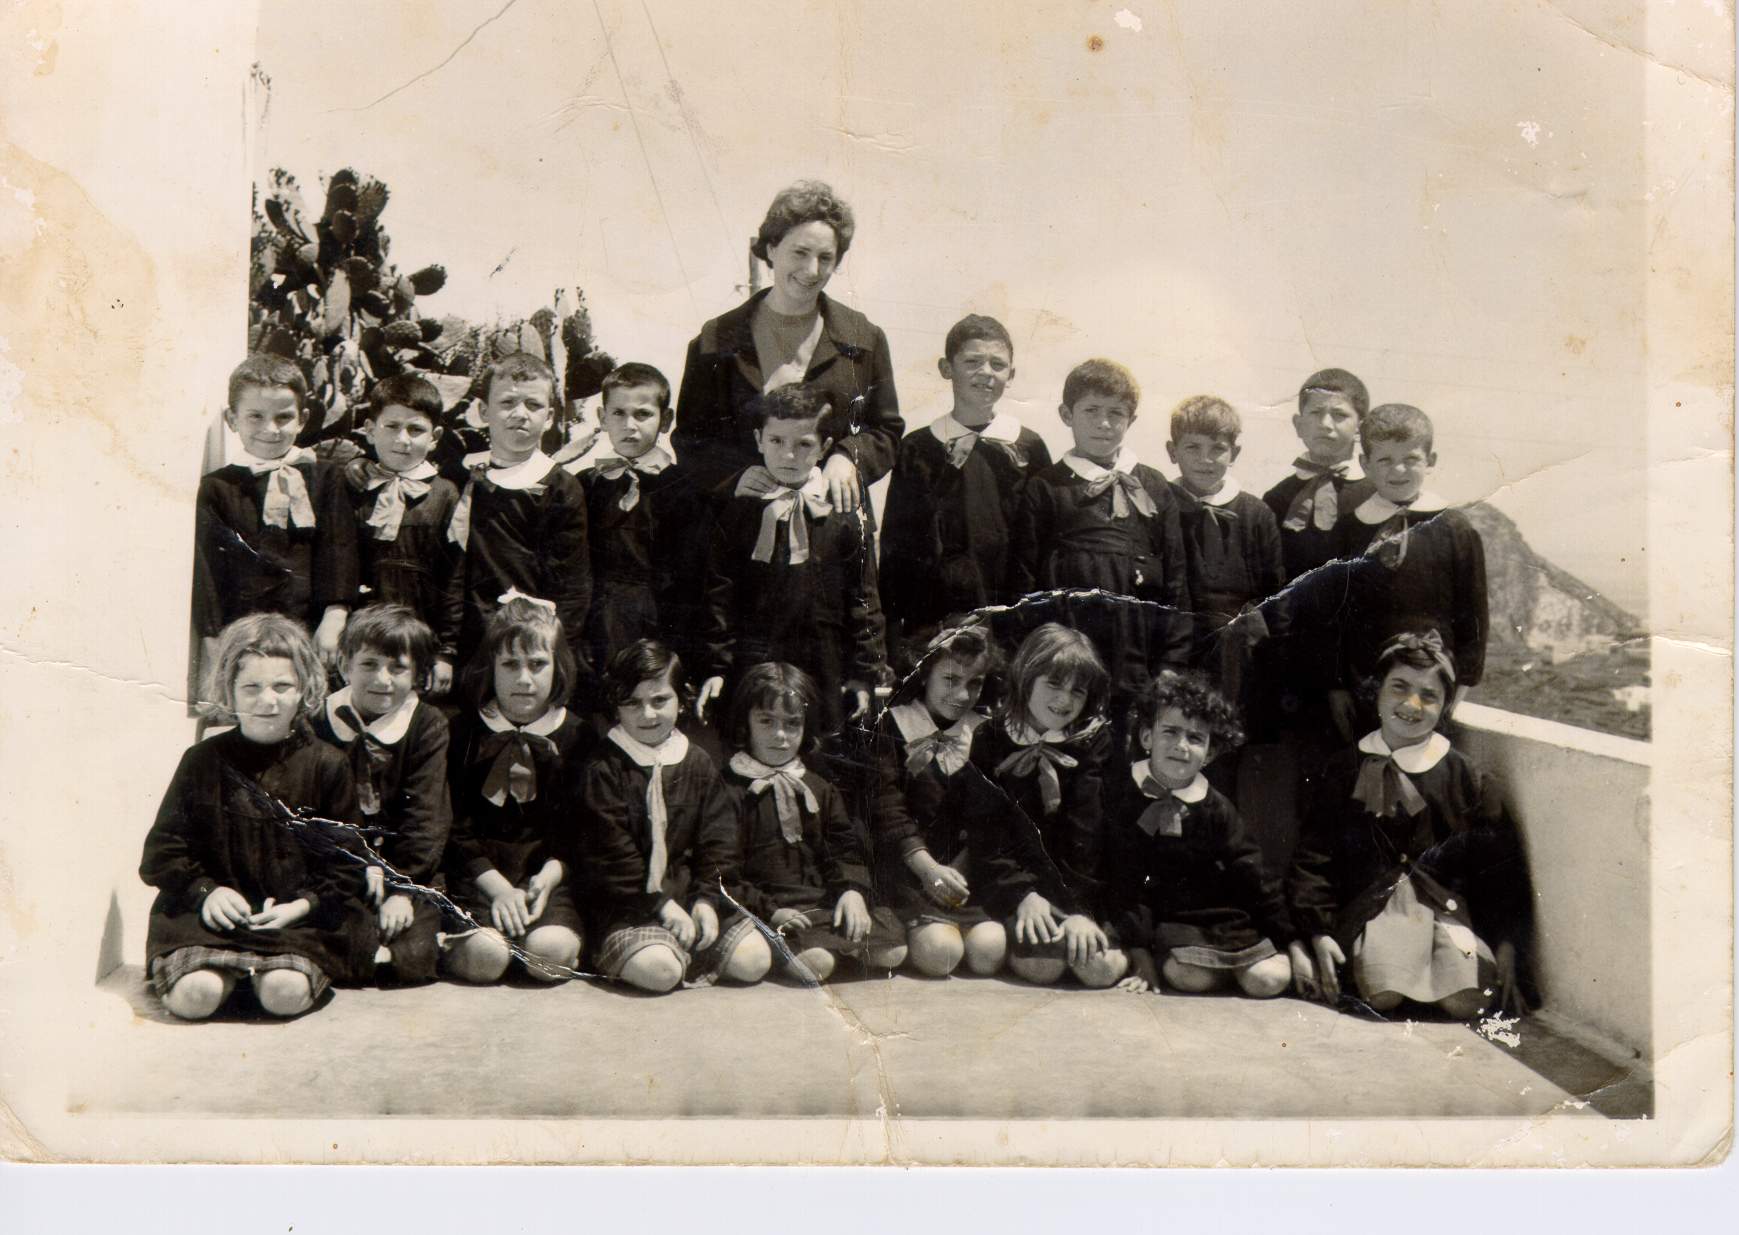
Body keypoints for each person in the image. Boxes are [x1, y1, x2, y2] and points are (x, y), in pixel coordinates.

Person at [141, 614, 373, 1020]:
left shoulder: (328, 765)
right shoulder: (202, 761)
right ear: (229, 691)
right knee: (195, 997)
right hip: (209, 918)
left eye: (282, 686)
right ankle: (222, 976)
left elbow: (347, 864)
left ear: (304, 689)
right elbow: (162, 852)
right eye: (251, 687)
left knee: (284, 994)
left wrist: (303, 905)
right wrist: (205, 892)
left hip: (294, 921)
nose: (268, 701)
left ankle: (255, 978)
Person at [1289, 631, 1533, 1018]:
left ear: (1446, 705)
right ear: (1377, 691)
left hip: (1444, 910)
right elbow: (1313, 858)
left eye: (1429, 695)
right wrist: (1316, 931)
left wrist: (1505, 942)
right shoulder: (1343, 769)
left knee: (1468, 1001)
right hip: (1375, 910)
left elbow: (1500, 868)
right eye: (1399, 687)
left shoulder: (1465, 776)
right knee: (1383, 994)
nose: (1411, 704)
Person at [671, 180, 903, 510]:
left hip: (831, 523)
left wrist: (849, 456)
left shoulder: (864, 337)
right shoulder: (717, 338)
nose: (812, 270)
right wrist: (735, 474)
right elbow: (690, 438)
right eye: (800, 252)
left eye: (826, 257)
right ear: (771, 248)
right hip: (739, 523)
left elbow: (886, 430)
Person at [577, 641, 771, 993]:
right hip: (628, 902)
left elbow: (718, 841)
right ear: (615, 705)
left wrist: (707, 900)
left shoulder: (697, 762)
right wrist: (661, 905)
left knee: (754, 961)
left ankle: (683, 945)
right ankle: (643, 952)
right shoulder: (604, 767)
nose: (647, 714)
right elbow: (612, 855)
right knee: (661, 971)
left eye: (659, 700)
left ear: (681, 699)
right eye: (632, 702)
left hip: (688, 895)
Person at [1009, 358, 1190, 732]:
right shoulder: (1047, 487)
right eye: (1091, 410)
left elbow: (1176, 579)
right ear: (1066, 414)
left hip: (1137, 658)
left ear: (1131, 420)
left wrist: (1172, 662)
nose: (1103, 423)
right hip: (1066, 661)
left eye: (1115, 413)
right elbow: (1023, 578)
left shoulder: (1154, 486)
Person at [697, 384, 882, 737]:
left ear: (825, 447)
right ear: (758, 440)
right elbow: (718, 594)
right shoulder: (738, 510)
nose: (788, 454)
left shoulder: (844, 511)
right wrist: (716, 668)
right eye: (777, 441)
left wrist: (864, 673)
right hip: (754, 660)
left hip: (824, 663)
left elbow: (864, 595)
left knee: (820, 745)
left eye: (804, 444)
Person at [1108, 671, 1293, 999]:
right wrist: (1140, 952)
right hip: (1169, 922)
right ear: (1147, 737)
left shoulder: (1215, 807)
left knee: (1270, 980)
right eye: (1170, 732)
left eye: (1195, 738)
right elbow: (1125, 881)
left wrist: (1289, 937)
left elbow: (1252, 871)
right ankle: (1209, 972)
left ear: (1209, 753)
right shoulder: (1125, 796)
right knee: (1186, 976)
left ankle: (1235, 968)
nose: (1181, 746)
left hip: (1219, 916)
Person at [957, 623, 1123, 988]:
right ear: (1026, 677)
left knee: (1099, 971)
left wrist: (1079, 911)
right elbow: (987, 835)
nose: (1064, 700)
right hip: (1010, 883)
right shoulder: (990, 737)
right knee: (1035, 965)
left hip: (1076, 885)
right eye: (1054, 684)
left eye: (1077, 690)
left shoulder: (1092, 742)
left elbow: (1088, 836)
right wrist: (1023, 895)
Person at [878, 315, 1051, 657]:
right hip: (934, 622)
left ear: (1011, 375)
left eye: (998, 364)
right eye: (972, 362)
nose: (986, 372)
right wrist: (895, 635)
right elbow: (896, 547)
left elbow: (1041, 544)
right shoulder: (918, 447)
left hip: (1010, 621)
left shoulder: (1028, 448)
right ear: (946, 368)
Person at [722, 662, 907, 982]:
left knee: (894, 950)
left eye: (792, 723)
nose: (780, 735)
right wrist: (770, 910)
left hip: (819, 903)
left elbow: (844, 849)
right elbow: (722, 870)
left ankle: (832, 947)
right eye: (766, 721)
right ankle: (807, 951)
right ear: (745, 723)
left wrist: (851, 891)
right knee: (817, 963)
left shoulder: (820, 787)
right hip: (767, 906)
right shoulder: (728, 789)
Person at [441, 594, 591, 985]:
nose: (524, 679)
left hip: (547, 878)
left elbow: (582, 830)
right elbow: (454, 826)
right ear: (490, 667)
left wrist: (550, 876)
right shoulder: (463, 732)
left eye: (537, 664)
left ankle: (540, 942)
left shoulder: (579, 735)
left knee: (550, 955)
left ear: (558, 667)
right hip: (479, 875)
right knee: (486, 957)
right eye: (510, 664)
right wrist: (497, 889)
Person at [191, 354, 358, 680]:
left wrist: (334, 616)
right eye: (255, 416)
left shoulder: (324, 477)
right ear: (232, 419)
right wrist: (213, 638)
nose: (270, 429)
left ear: (303, 419)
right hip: (243, 630)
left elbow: (338, 547)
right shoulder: (217, 488)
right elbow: (209, 570)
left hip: (308, 626)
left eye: (283, 417)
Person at [309, 603, 451, 985]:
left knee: (414, 957)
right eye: (369, 664)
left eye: (398, 668)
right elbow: (313, 812)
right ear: (345, 665)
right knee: (348, 949)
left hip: (407, 869)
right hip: (340, 869)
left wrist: (402, 888)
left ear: (417, 674)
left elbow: (426, 816)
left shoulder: (427, 725)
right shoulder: (319, 720)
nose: (382, 679)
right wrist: (356, 869)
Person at [1330, 403, 1489, 731]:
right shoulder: (1349, 530)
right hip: (1364, 682)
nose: (1398, 470)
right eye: (1385, 460)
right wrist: (1335, 686)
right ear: (1365, 464)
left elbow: (1473, 614)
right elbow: (1333, 614)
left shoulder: (1454, 528)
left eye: (1411, 459)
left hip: (1432, 682)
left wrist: (1460, 686)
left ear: (1430, 461)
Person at [868, 620, 1003, 978]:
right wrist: (927, 869)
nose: (962, 695)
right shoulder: (893, 725)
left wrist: (963, 868)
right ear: (925, 673)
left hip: (964, 874)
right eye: (950, 679)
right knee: (941, 954)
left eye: (974, 683)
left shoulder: (983, 731)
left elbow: (991, 815)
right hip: (909, 871)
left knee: (989, 951)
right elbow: (888, 808)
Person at [447, 352, 592, 674]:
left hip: (528, 645)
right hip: (463, 640)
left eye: (533, 405)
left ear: (550, 417)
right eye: (507, 402)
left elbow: (572, 585)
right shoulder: (460, 474)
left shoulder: (560, 487)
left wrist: (555, 653)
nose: (520, 414)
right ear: (484, 411)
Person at [340, 373, 464, 695]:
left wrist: (446, 651)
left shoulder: (446, 494)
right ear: (370, 430)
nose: (402, 439)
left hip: (419, 628)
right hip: (361, 629)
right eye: (392, 426)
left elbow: (454, 577)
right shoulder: (352, 488)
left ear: (435, 437)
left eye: (415, 429)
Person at [578, 362, 702, 678]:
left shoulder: (683, 489)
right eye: (618, 413)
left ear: (666, 420)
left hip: (657, 620)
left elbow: (692, 578)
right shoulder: (587, 484)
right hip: (597, 621)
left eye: (642, 414)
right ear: (602, 418)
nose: (629, 425)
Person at [1165, 394, 1284, 689]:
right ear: (1172, 451)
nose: (1205, 459)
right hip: (1176, 645)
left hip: (1236, 652)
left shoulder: (1256, 513)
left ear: (1235, 453)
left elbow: (1274, 592)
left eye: (1217, 448)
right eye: (1193, 447)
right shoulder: (1161, 505)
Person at [1261, 368, 1374, 584]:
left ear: (1361, 429)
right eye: (1315, 412)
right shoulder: (1277, 498)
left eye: (1339, 415)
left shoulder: (1377, 494)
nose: (1325, 424)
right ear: (1299, 425)